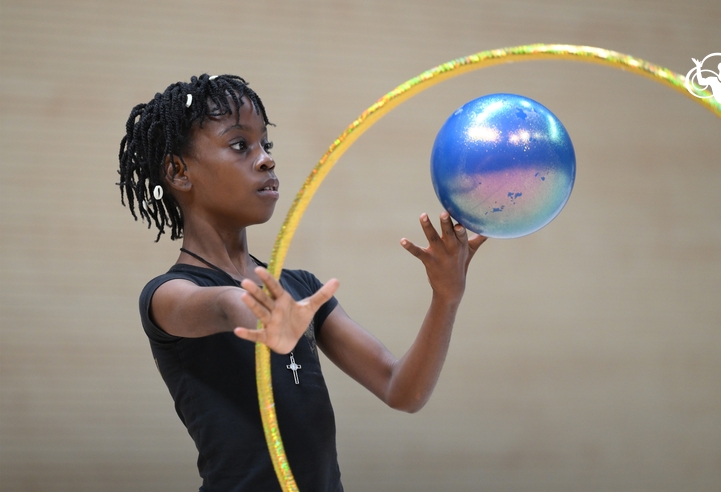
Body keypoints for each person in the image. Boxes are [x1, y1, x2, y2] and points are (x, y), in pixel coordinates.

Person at [117, 74, 487, 491]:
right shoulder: (168, 295)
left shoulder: (300, 288)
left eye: (266, 145)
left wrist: (447, 296)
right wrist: (264, 317)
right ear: (178, 171)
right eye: (240, 145)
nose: (265, 159)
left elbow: (402, 390)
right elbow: (225, 305)